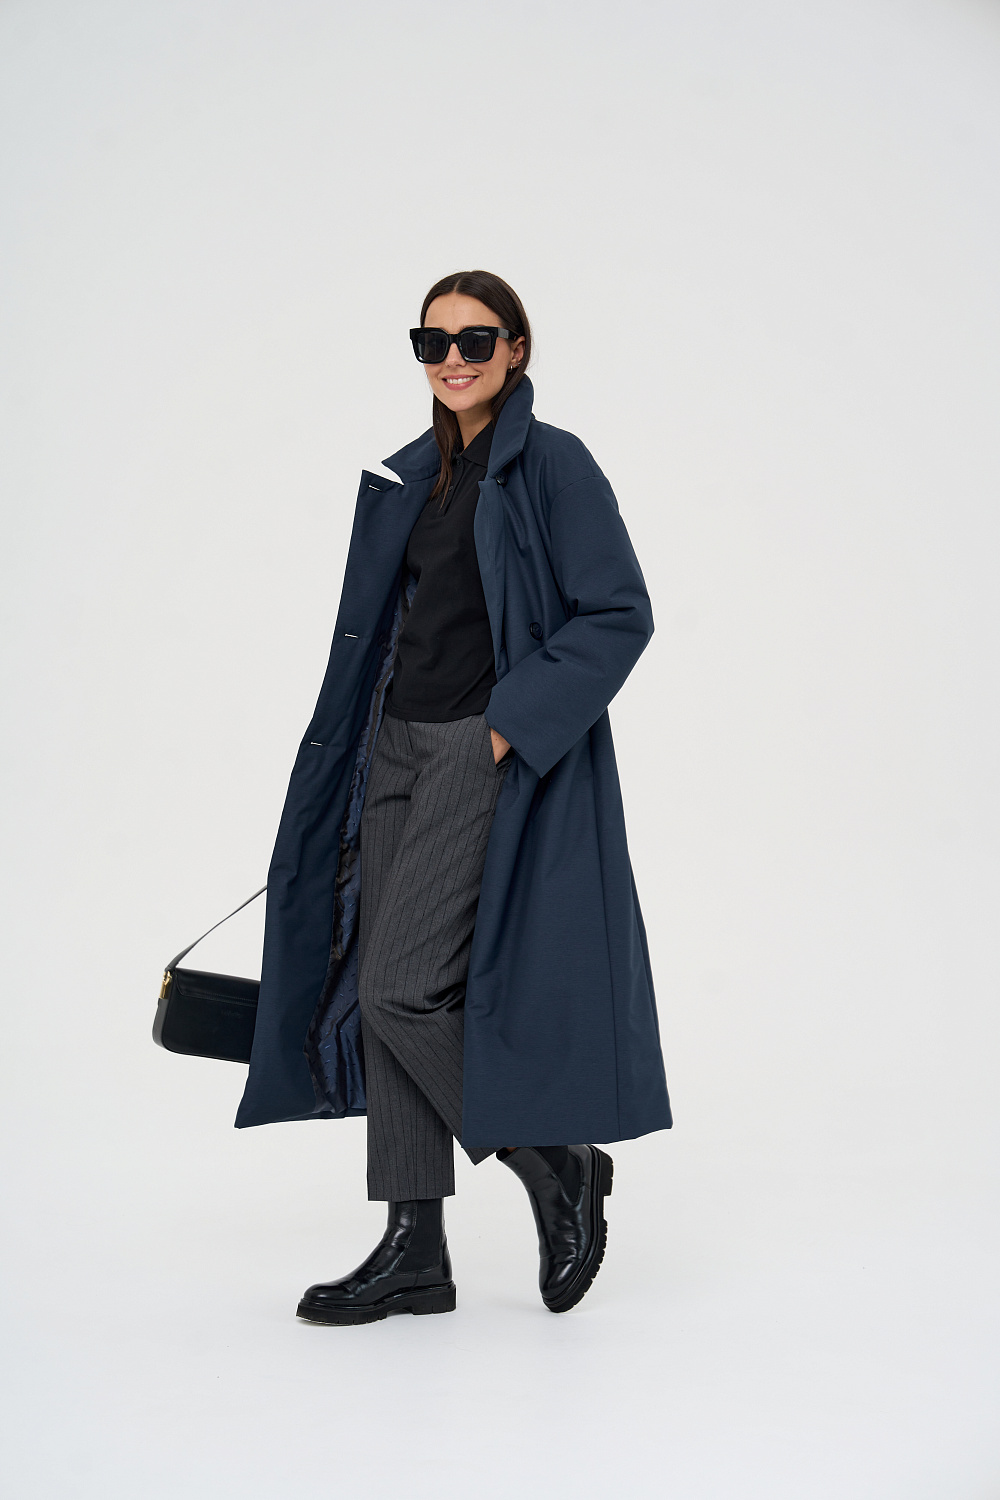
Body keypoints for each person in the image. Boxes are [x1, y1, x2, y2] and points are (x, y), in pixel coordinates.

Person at [235, 270, 672, 1323]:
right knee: (376, 996)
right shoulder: (412, 474)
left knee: (398, 988)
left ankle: (553, 1160)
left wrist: (506, 728)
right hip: (389, 748)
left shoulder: (552, 463)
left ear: (517, 348)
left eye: (477, 338)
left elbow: (619, 612)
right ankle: (414, 1248)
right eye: (433, 340)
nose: (453, 357)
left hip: (479, 750)